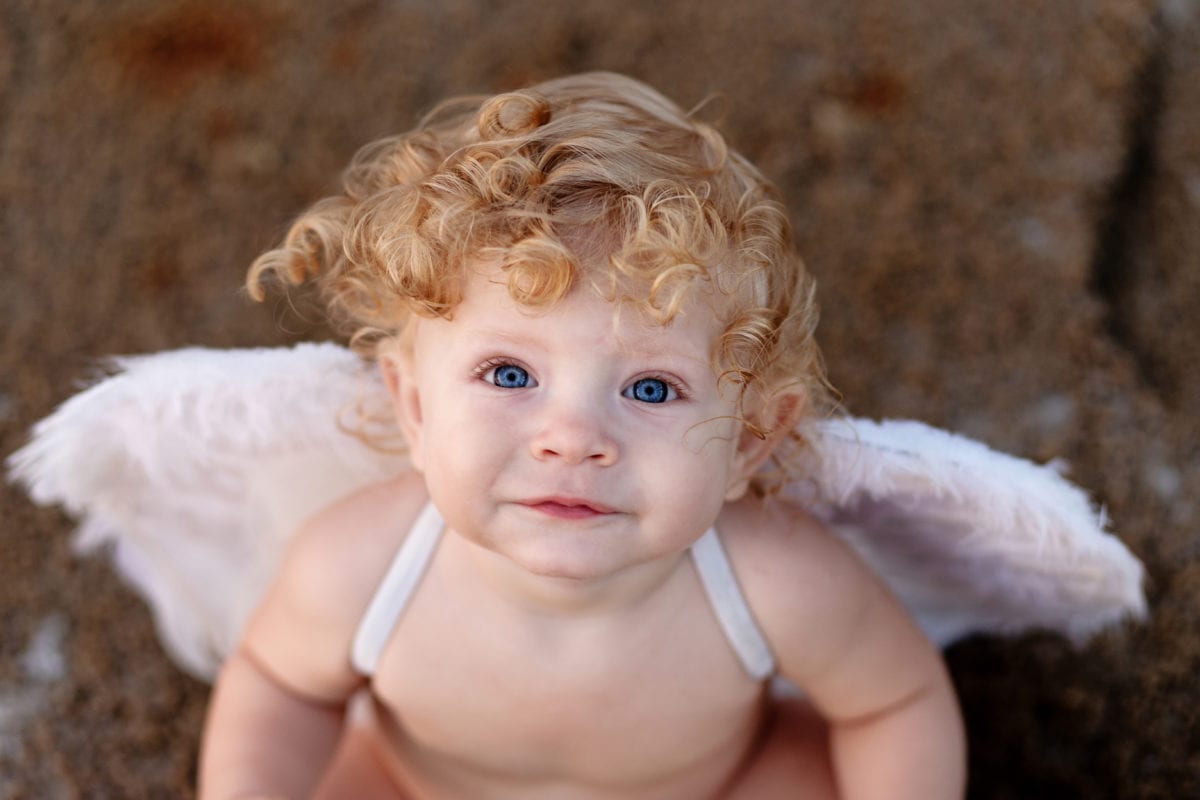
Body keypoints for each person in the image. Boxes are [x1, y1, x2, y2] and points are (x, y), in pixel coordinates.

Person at [198, 71, 966, 800]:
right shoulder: (363, 568)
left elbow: (892, 701)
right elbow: (279, 683)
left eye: (652, 388)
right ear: (416, 407)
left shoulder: (775, 583)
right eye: (508, 374)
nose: (572, 439)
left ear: (748, 441)